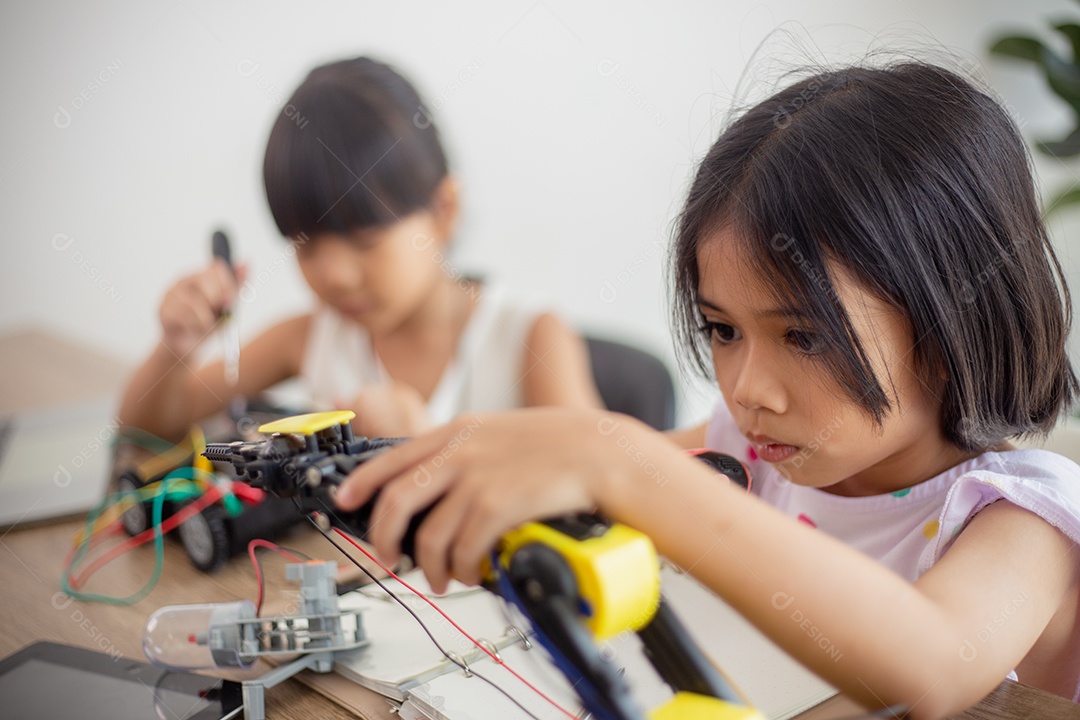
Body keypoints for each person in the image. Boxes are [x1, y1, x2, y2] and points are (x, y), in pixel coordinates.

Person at [334, 62, 1080, 717]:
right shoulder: (748, 450)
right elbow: (574, 493)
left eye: (804, 336)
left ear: (950, 326)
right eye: (722, 330)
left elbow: (933, 665)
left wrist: (620, 461)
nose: (747, 390)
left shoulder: (1022, 519)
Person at [119, 57, 601, 441]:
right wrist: (175, 348)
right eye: (306, 247)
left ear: (444, 209)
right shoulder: (311, 336)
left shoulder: (531, 337)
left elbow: (602, 482)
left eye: (364, 241)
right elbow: (147, 428)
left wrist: (426, 444)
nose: (335, 276)